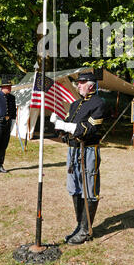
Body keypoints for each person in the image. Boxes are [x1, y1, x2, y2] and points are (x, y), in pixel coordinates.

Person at [51, 72, 105, 245]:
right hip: (73, 150)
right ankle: (79, 225)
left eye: (81, 83)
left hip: (88, 150)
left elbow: (88, 128)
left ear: (91, 85)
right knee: (74, 188)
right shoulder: (75, 104)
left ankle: (86, 230)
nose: (78, 85)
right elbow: (66, 127)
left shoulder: (99, 104)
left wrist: (65, 125)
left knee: (89, 189)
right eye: (78, 82)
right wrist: (58, 124)